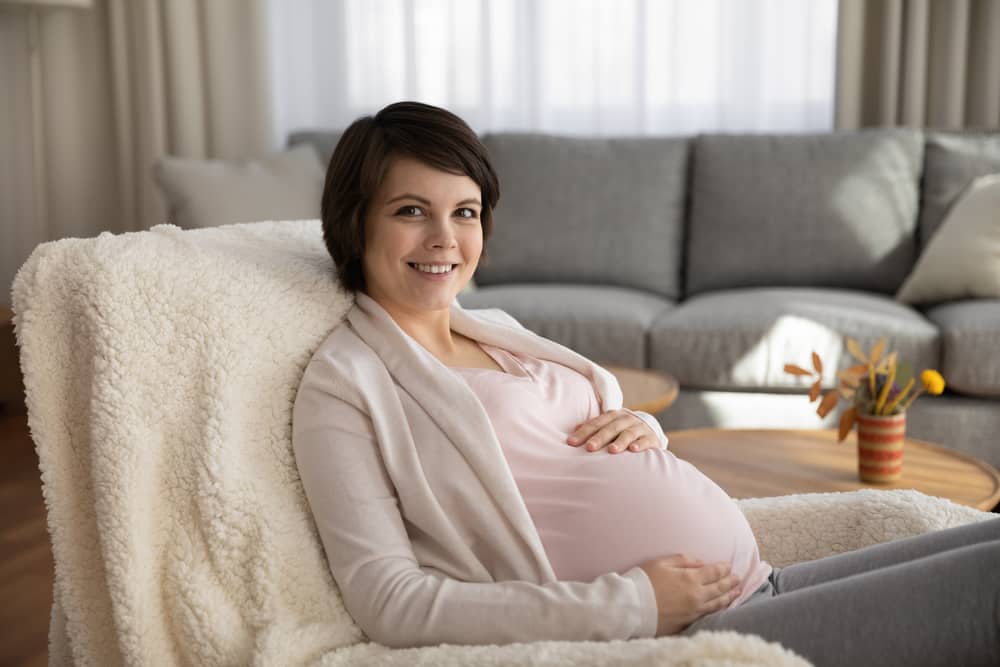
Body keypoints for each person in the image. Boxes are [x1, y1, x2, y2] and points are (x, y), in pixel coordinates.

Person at [292, 101, 1000, 665]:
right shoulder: (347, 383)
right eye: (411, 211)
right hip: (699, 631)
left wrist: (643, 428)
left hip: (758, 581)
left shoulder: (492, 325)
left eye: (465, 211)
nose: (445, 238)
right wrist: (632, 604)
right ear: (355, 223)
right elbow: (391, 599)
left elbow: (568, 442)